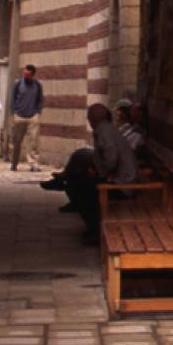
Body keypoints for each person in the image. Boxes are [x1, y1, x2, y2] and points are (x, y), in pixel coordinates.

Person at [40, 103, 137, 241]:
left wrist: (99, 172)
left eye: (89, 117)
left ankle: (95, 230)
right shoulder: (105, 128)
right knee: (80, 166)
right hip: (118, 179)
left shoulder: (104, 131)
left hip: (121, 185)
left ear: (93, 119)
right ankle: (64, 181)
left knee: (81, 188)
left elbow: (111, 160)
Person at [10, 64, 45, 171]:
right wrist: (14, 111)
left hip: (33, 116)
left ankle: (33, 163)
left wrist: (38, 112)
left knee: (33, 141)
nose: (25, 76)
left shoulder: (38, 85)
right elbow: (13, 98)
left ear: (32, 75)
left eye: (28, 74)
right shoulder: (18, 84)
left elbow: (40, 99)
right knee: (17, 140)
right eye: (24, 74)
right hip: (19, 116)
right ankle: (14, 163)